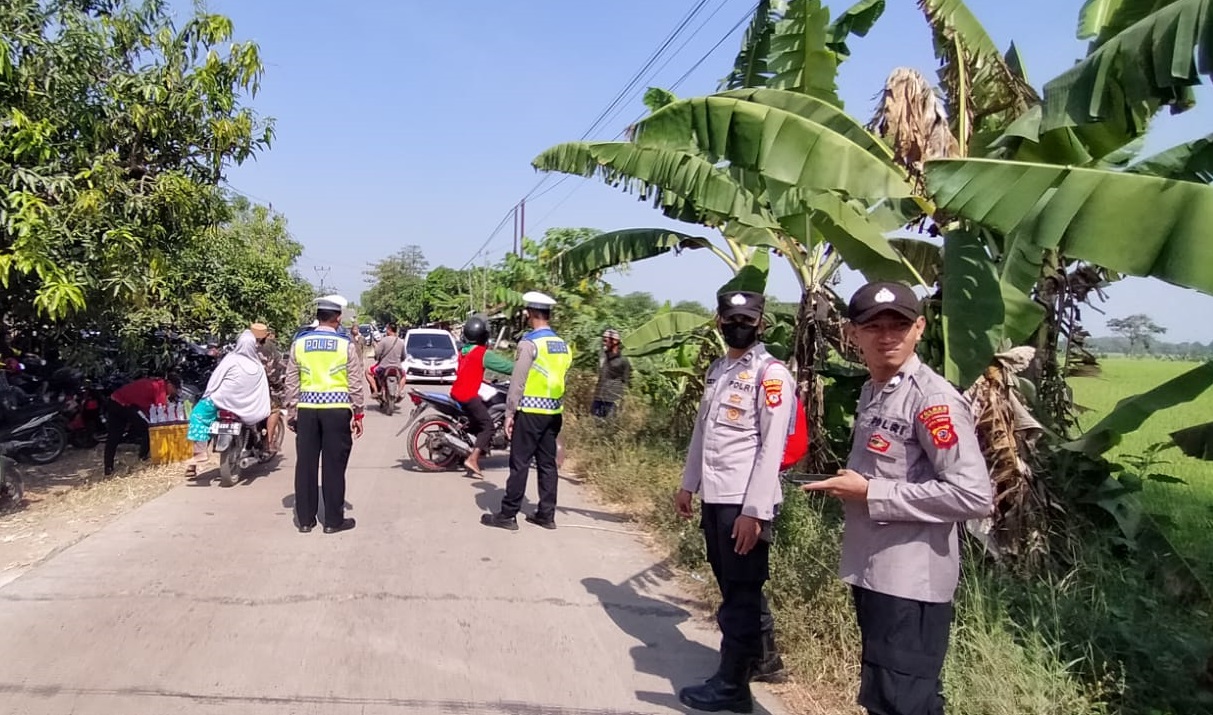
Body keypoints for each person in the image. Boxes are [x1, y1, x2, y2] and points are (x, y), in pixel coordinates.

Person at [803, 281, 993, 715]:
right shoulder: (876, 389)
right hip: (875, 571)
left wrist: (871, 492)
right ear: (854, 334)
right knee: (894, 697)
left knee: (901, 701)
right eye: (874, 327)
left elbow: (972, 495)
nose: (887, 336)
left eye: (899, 326)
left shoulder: (933, 399)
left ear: (920, 328)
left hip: (911, 582)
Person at [673, 290, 796, 713]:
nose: (737, 325)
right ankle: (762, 659)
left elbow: (772, 448)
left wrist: (754, 512)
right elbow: (703, 434)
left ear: (761, 323)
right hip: (716, 495)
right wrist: (688, 484)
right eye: (730, 318)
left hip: (744, 502)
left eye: (746, 319)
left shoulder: (771, 374)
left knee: (741, 594)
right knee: (734, 587)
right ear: (718, 321)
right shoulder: (718, 370)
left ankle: (732, 686)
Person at [480, 291, 572, 531]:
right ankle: (546, 514)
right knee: (547, 464)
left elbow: (518, 381)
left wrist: (510, 413)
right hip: (554, 412)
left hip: (530, 410)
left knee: (519, 463)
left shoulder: (530, 343)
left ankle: (508, 514)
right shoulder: (562, 345)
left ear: (531, 314)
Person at [283, 295, 366, 534]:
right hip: (337, 411)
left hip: (307, 411)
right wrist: (358, 413)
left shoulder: (299, 342)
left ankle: (305, 520)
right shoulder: (345, 344)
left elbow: (291, 380)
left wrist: (291, 410)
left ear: (317, 317)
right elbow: (355, 381)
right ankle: (333, 521)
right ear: (338, 318)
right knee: (334, 466)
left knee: (306, 465)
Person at [185, 330, 272, 476]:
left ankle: (199, 453)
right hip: (246, 408)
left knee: (199, 416)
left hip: (221, 402)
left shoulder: (230, 359)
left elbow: (215, 380)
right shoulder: (258, 366)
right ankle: (261, 445)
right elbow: (261, 391)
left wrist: (208, 395)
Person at [450, 315, 514, 477]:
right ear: (483, 335)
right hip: (468, 395)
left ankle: (463, 450)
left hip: (457, 392)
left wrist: (484, 380)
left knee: (478, 420)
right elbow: (506, 367)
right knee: (488, 426)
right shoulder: (482, 353)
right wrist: (525, 366)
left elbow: (467, 371)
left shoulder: (464, 351)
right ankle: (473, 459)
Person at [104, 373, 182, 476]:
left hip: (115, 400)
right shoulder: (160, 388)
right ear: (170, 385)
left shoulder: (155, 383)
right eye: (175, 390)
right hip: (124, 404)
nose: (173, 393)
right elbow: (162, 410)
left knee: (113, 437)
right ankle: (142, 458)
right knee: (147, 430)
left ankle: (108, 467)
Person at [252, 323, 286, 456]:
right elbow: (272, 372)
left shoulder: (239, 345)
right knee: (275, 408)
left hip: (239, 388)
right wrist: (279, 385)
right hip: (261, 388)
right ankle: (269, 442)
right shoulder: (268, 347)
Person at [591, 328, 631, 419]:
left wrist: (621, 401)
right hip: (599, 397)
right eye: (603, 340)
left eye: (606, 340)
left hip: (612, 400)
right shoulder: (602, 356)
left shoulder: (623, 360)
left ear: (615, 341)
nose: (604, 343)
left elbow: (625, 382)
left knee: (608, 426)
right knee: (594, 424)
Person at [367, 323, 405, 398]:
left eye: (387, 329)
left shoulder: (383, 341)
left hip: (383, 367)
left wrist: (377, 357)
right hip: (397, 367)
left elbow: (377, 353)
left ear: (390, 330)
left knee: (367, 372)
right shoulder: (401, 342)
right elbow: (404, 357)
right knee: (403, 375)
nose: (386, 330)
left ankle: (375, 391)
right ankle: (400, 392)